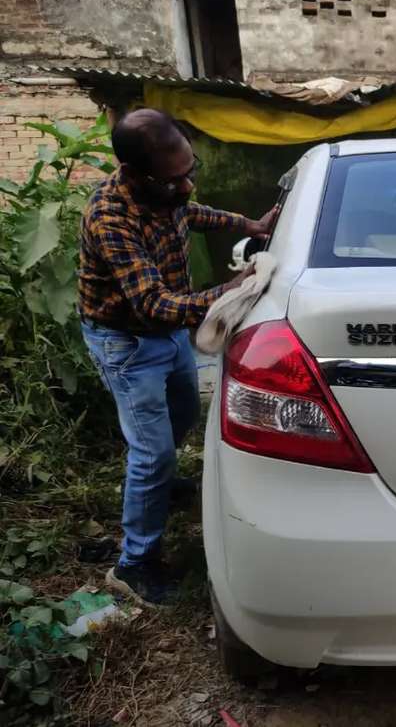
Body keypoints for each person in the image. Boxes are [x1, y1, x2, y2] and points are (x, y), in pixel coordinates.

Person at [78, 108, 274, 606]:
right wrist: (228, 293)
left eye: (192, 170)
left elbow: (196, 212)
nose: (187, 185)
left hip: (166, 336)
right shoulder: (110, 217)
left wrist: (252, 224)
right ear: (140, 174)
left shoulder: (168, 192)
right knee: (153, 452)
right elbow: (152, 304)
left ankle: (159, 487)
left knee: (185, 411)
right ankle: (134, 563)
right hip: (127, 342)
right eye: (177, 178)